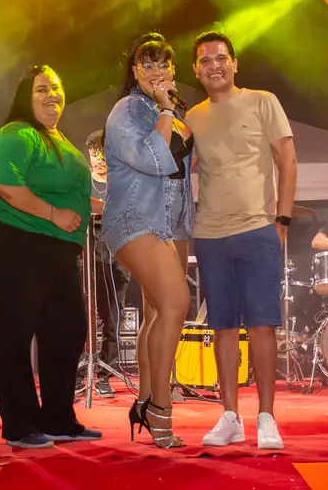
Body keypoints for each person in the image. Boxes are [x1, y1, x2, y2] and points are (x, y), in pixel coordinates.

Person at [0, 65, 102, 449]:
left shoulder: (57, 138)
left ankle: (58, 418)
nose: (52, 95)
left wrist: (102, 206)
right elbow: (6, 186)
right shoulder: (17, 133)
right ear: (25, 97)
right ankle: (20, 424)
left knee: (66, 332)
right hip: (21, 242)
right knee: (16, 335)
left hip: (57, 248)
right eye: (42, 89)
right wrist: (54, 214)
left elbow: (69, 192)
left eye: (56, 87)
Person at [186, 30, 296, 450]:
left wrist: (282, 219)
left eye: (221, 58)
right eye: (205, 60)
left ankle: (267, 417)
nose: (214, 65)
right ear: (196, 70)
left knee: (262, 324)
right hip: (210, 233)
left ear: (234, 63)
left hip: (257, 227)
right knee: (223, 326)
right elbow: (175, 168)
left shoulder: (263, 101)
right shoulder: (192, 117)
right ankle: (230, 416)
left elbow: (287, 160)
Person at [102, 33, 194, 449]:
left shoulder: (166, 110)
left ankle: (144, 401)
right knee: (176, 303)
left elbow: (181, 175)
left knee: (157, 312)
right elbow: (155, 161)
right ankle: (160, 407)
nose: (157, 71)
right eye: (148, 64)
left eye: (164, 64)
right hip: (134, 218)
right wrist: (166, 111)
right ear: (135, 71)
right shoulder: (129, 109)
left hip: (165, 224)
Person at [78, 129, 131, 398]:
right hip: (86, 256)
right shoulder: (81, 182)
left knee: (112, 320)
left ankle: (105, 376)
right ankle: (79, 374)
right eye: (94, 155)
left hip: (116, 256)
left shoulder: (122, 182)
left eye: (103, 154)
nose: (99, 160)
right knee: (81, 319)